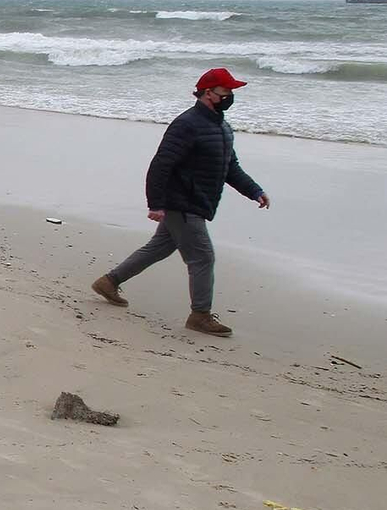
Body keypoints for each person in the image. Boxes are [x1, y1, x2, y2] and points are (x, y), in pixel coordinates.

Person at [91, 68, 270, 337]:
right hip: (183, 201)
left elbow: (230, 167)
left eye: (231, 91)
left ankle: (108, 282)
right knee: (203, 257)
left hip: (197, 201)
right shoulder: (187, 124)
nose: (230, 96)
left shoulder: (221, 127)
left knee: (159, 247)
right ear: (208, 93)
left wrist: (254, 190)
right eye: (226, 91)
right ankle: (200, 315)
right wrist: (155, 204)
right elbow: (161, 164)